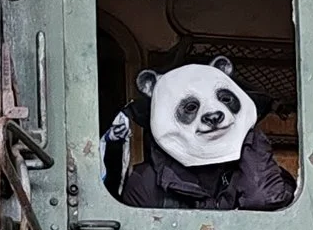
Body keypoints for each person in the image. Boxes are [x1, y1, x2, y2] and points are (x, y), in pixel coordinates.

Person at [114, 57, 295, 211]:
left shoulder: (259, 169)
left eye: (225, 100)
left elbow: (265, 198)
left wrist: (247, 129)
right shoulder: (147, 182)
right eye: (190, 107)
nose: (213, 113)